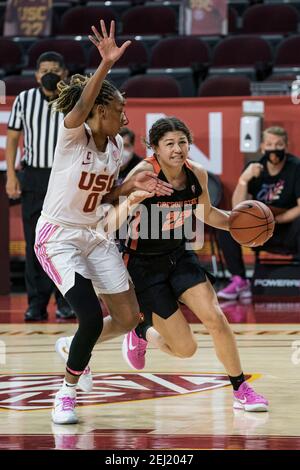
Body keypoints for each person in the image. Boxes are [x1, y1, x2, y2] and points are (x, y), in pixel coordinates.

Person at [58, 116, 269, 413]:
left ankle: (240, 388)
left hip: (179, 256)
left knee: (215, 317)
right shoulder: (143, 173)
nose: (178, 149)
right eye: (169, 143)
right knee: (186, 349)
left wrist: (240, 226)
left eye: (182, 142)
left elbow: (206, 213)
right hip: (142, 265)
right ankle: (141, 333)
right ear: (154, 147)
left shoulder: (197, 174)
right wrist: (132, 201)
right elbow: (108, 224)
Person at [34, 20, 172, 425]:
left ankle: (72, 346)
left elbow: (105, 194)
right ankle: (67, 392)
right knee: (91, 317)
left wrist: (130, 184)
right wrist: (105, 66)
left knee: (130, 318)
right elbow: (80, 107)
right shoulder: (72, 136)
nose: (125, 119)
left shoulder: (113, 147)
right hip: (58, 236)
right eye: (118, 111)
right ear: (97, 111)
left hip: (94, 235)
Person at [5, 51, 76, 321]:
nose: (50, 73)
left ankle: (66, 301)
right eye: (45, 69)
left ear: (64, 73)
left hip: (66, 178)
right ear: (36, 75)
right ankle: (36, 303)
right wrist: (11, 175)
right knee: (36, 243)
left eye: (55, 69)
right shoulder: (24, 100)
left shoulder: (75, 100)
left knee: (66, 242)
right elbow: (12, 141)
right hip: (34, 176)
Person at [217, 126, 300, 300]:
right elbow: (236, 208)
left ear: (286, 146)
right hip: (261, 231)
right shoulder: (255, 168)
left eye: (279, 144)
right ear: (262, 147)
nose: (274, 148)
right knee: (226, 224)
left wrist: (273, 220)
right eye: (269, 144)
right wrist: (243, 180)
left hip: (288, 229)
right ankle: (240, 280)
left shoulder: (296, 167)